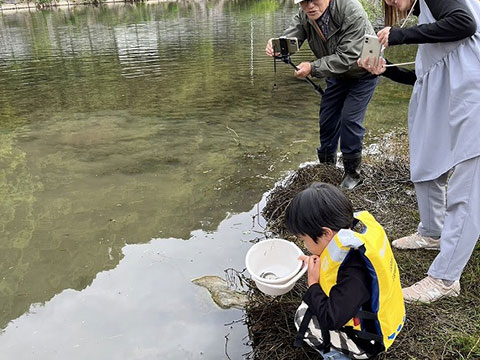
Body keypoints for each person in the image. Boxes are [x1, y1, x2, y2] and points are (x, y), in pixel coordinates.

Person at [358, 0, 480, 304]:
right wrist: (385, 71)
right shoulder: (429, 18)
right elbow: (428, 75)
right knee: (426, 161)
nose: (388, 2)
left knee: (468, 187)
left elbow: (465, 23)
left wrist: (399, 36)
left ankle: (445, 278)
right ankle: (432, 232)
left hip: (474, 99)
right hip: (453, 98)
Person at [265, 0, 379, 189]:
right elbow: (291, 39)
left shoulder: (351, 10)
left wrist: (312, 67)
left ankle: (353, 174)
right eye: (303, 2)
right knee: (327, 120)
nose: (309, 5)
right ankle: (327, 168)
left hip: (364, 72)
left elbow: (347, 56)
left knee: (349, 119)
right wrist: (277, 45)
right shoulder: (305, 15)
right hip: (336, 74)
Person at [285, 182, 405, 359]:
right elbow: (333, 260)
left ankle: (338, 356)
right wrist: (317, 261)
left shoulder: (353, 273)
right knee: (310, 306)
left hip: (368, 341)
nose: (304, 245)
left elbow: (331, 319)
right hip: (376, 313)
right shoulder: (350, 240)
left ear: (326, 234)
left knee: (302, 318)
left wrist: (313, 284)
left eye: (304, 240)